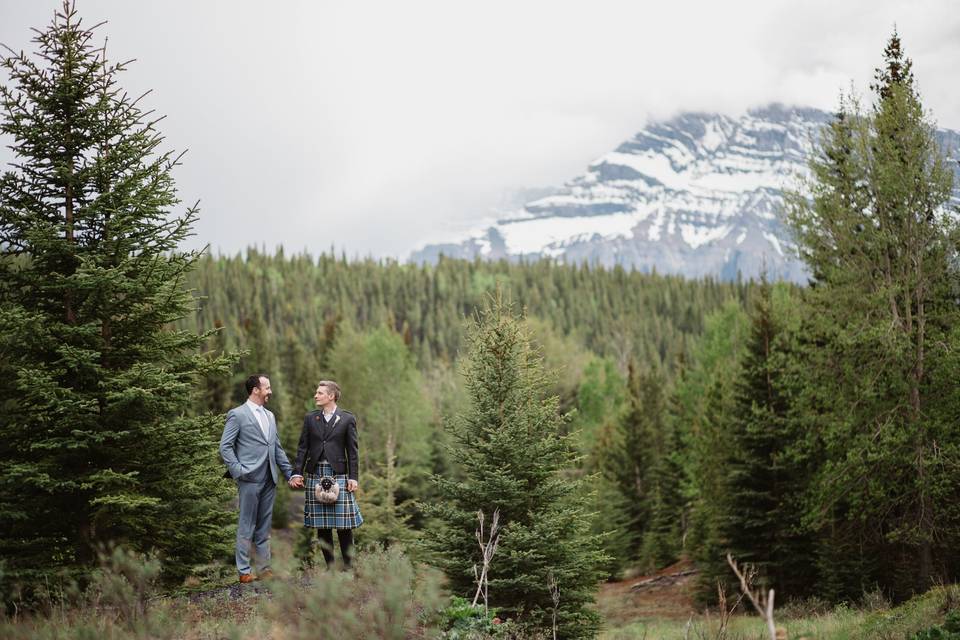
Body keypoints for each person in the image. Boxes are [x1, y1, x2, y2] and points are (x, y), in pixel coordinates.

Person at [219, 374, 298, 583]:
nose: (270, 391)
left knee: (264, 527)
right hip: (249, 479)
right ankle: (244, 571)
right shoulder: (237, 415)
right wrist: (239, 470)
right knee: (246, 526)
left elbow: (276, 448)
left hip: (270, 478)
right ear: (255, 389)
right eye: (267, 388)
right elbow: (225, 446)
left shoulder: (270, 416)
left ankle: (264, 569)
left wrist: (290, 474)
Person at [290, 380, 363, 569]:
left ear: (331, 396)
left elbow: (353, 451)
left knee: (344, 525)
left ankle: (348, 568)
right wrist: (297, 473)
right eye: (317, 392)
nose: (316, 395)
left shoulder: (347, 418)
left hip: (339, 474)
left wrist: (353, 477)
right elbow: (302, 448)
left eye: (320, 393)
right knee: (322, 526)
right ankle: (330, 567)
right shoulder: (310, 418)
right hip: (315, 473)